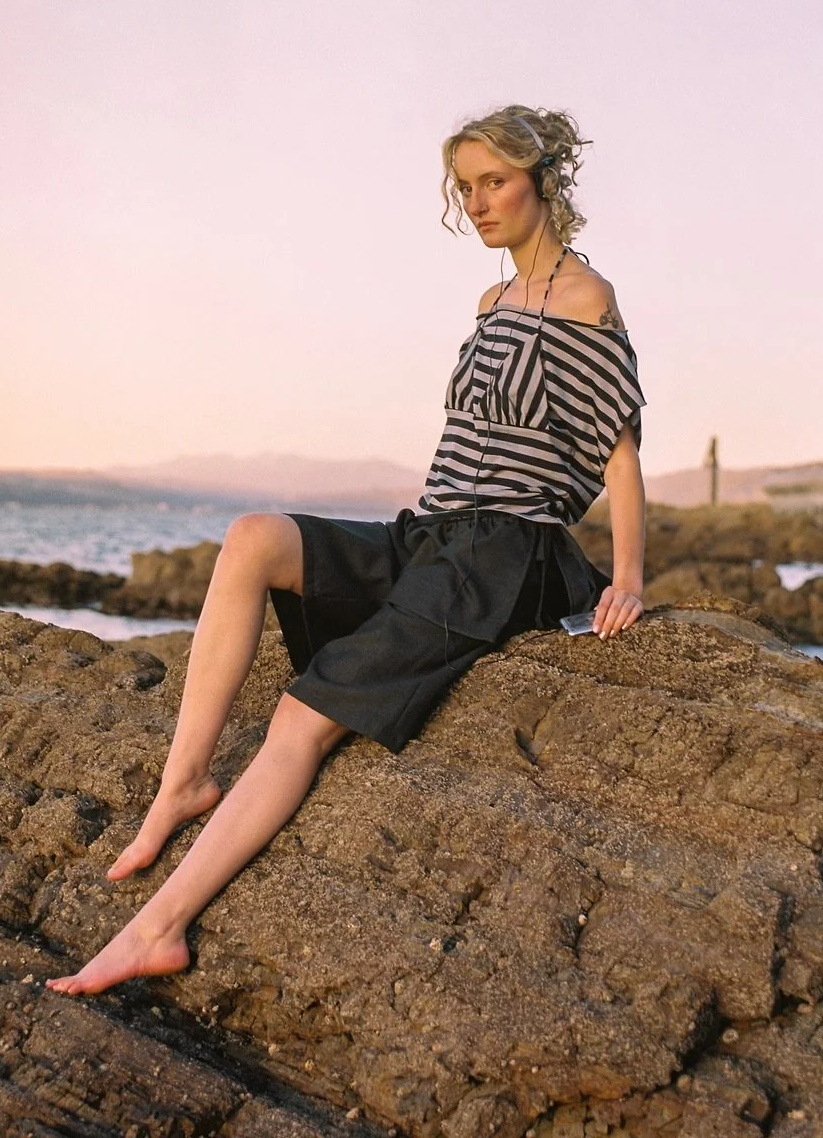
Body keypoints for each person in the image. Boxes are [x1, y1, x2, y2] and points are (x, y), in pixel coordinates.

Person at [47, 104, 647, 996]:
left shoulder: (585, 296)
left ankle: (158, 928)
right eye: (465, 187)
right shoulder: (491, 302)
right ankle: (184, 783)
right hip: (432, 531)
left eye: (495, 182)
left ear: (541, 179)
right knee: (253, 538)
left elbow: (620, 450)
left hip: (500, 555)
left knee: (299, 718)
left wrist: (628, 578)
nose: (478, 203)